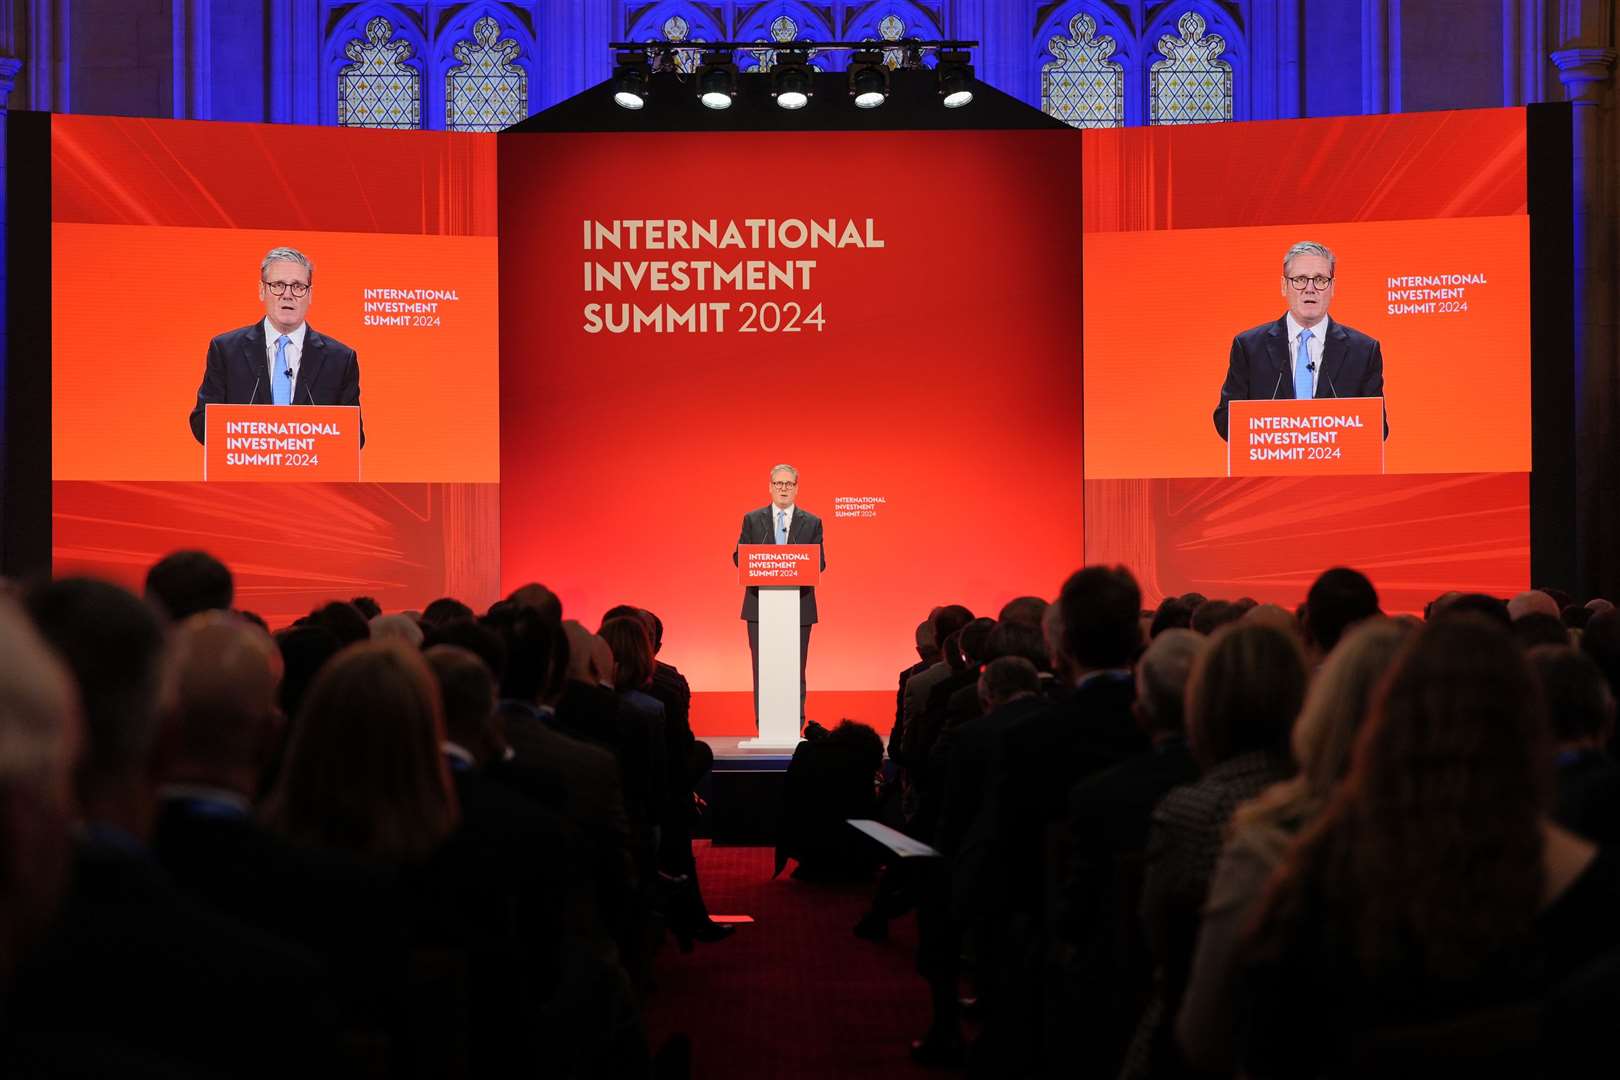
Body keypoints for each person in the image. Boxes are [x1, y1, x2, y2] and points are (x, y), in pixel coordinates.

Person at [1213, 240, 1387, 440]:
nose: (1310, 288)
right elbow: (1225, 419)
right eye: (1300, 279)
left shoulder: (1363, 351)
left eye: (1320, 279)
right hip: (1271, 467)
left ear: (1333, 287)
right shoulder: (1249, 347)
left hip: (1336, 469)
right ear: (1284, 286)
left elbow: (1377, 429)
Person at [188, 246, 363, 445]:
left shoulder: (340, 359)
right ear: (262, 290)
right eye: (278, 285)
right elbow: (202, 422)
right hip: (246, 472)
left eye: (298, 286)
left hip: (312, 474)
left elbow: (354, 437)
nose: (287, 294)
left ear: (310, 295)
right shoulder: (226, 350)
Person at [732, 463, 826, 724]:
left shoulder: (813, 522)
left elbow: (819, 563)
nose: (783, 489)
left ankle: (794, 722)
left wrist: (795, 560)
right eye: (778, 484)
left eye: (789, 484)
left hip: (799, 606)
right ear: (770, 487)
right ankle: (765, 723)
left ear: (796, 488)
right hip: (760, 607)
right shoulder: (752, 519)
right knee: (763, 669)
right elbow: (739, 556)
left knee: (795, 669)